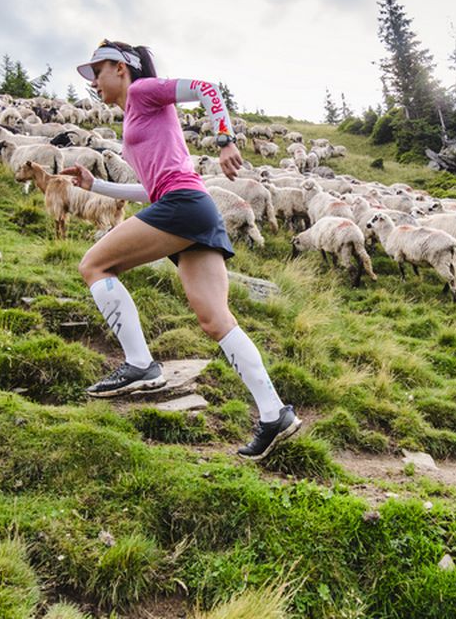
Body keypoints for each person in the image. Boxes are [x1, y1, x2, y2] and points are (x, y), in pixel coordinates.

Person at [62, 40, 300, 461]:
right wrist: (94, 185)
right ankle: (273, 415)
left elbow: (207, 88)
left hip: (184, 205)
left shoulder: (142, 91)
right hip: (191, 208)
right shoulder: (135, 116)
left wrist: (225, 140)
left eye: (97, 72)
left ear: (120, 68)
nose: (93, 82)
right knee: (215, 320)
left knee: (95, 265)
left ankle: (139, 364)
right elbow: (151, 189)